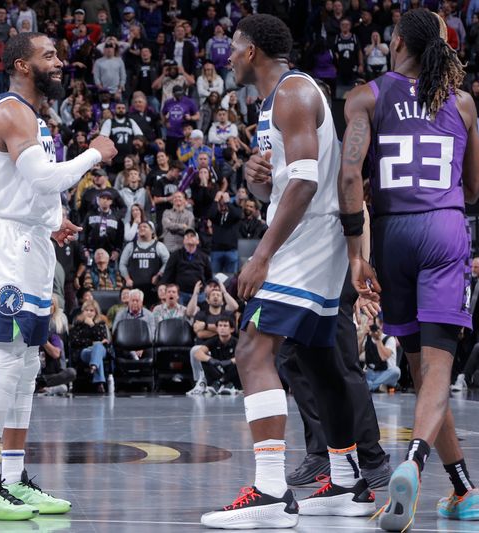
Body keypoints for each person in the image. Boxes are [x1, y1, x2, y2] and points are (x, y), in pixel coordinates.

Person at [201, 16, 371, 529]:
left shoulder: (294, 93)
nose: (226, 56)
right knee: (318, 361)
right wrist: (257, 181)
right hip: (313, 238)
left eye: (233, 48)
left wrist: (262, 255)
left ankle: (271, 491)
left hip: (306, 239)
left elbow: (303, 183)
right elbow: (283, 184)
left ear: (252, 52)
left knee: (252, 348)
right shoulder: (275, 102)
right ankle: (347, 481)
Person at [338, 9, 479, 530]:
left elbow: (350, 176)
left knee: (422, 372)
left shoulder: (366, 96)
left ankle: (465, 490)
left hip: (393, 232)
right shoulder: (463, 103)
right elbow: (472, 190)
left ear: (396, 41)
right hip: (443, 230)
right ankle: (415, 463)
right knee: (438, 372)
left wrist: (358, 252)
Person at [0, 31, 116, 520]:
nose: (59, 61)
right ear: (22, 65)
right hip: (7, 245)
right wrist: (95, 152)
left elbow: (36, 193)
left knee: (28, 363)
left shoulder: (35, 117)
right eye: (48, 55)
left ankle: (12, 476)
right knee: (7, 360)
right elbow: (44, 179)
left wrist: (54, 222)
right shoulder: (11, 111)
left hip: (32, 241)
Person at [161, 229, 211, 305]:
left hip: (199, 293)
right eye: (186, 236)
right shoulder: (176, 255)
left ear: (197, 241)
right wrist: (163, 285)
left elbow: (209, 275)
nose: (189, 237)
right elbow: (168, 273)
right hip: (180, 294)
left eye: (192, 236)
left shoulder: (204, 257)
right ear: (183, 241)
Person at [191, 318, 241, 395]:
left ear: (232, 329)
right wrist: (211, 360)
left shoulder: (236, 342)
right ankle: (224, 384)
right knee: (205, 360)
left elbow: (245, 356)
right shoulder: (213, 340)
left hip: (231, 371)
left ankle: (220, 384)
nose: (222, 328)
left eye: (225, 326)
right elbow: (198, 353)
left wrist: (231, 361)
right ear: (217, 329)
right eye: (220, 326)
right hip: (218, 368)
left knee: (239, 364)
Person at [69, 300, 110, 392]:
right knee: (97, 349)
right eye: (86, 310)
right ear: (83, 312)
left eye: (92, 310)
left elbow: (103, 339)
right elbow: (75, 341)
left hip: (101, 350)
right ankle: (99, 380)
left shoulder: (101, 324)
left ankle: (93, 366)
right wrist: (92, 343)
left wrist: (92, 325)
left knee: (98, 346)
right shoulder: (78, 324)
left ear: (96, 312)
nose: (89, 313)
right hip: (85, 352)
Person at [359, 317, 400, 392]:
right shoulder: (367, 337)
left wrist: (378, 340)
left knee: (396, 371)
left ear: (381, 325)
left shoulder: (389, 338)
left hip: (386, 373)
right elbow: (358, 354)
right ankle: (378, 386)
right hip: (371, 372)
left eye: (374, 325)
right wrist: (362, 335)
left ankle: (370, 386)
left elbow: (384, 357)